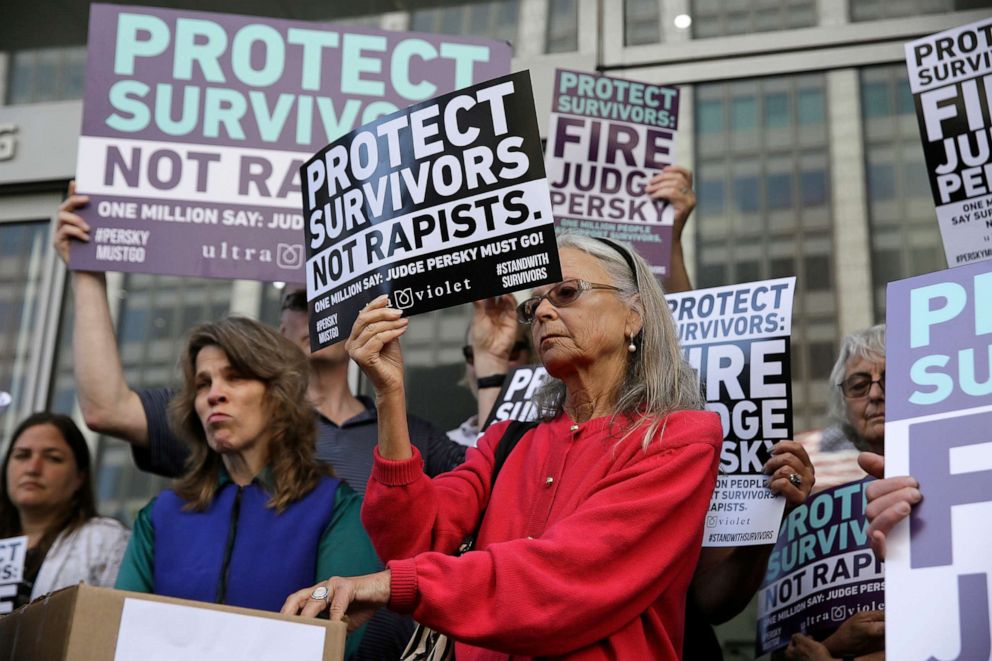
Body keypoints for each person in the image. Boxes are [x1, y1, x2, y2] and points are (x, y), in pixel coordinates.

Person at [284, 233, 723, 659]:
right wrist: (389, 394)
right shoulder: (506, 441)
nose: (544, 312)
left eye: (567, 292)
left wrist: (390, 586)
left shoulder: (680, 439)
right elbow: (412, 541)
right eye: (535, 306)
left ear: (635, 314)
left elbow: (563, 578)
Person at [54, 182, 466, 494]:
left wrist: (491, 362)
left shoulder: (412, 435)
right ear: (280, 323)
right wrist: (86, 272)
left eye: (342, 296)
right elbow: (106, 409)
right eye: (305, 300)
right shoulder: (232, 409)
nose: (323, 310)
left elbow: (498, 481)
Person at [113, 317, 380, 658]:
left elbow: (333, 646)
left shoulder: (336, 509)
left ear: (278, 393)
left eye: (235, 377)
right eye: (202, 383)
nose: (214, 395)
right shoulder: (159, 517)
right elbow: (121, 635)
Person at [784, 325, 887, 661]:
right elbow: (784, 641)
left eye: (893, 378)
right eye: (859, 385)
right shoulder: (815, 492)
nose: (874, 394)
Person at [0, 412, 129, 608]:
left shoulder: (105, 541)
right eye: (22, 455)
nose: (33, 468)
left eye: (53, 458)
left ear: (80, 477)